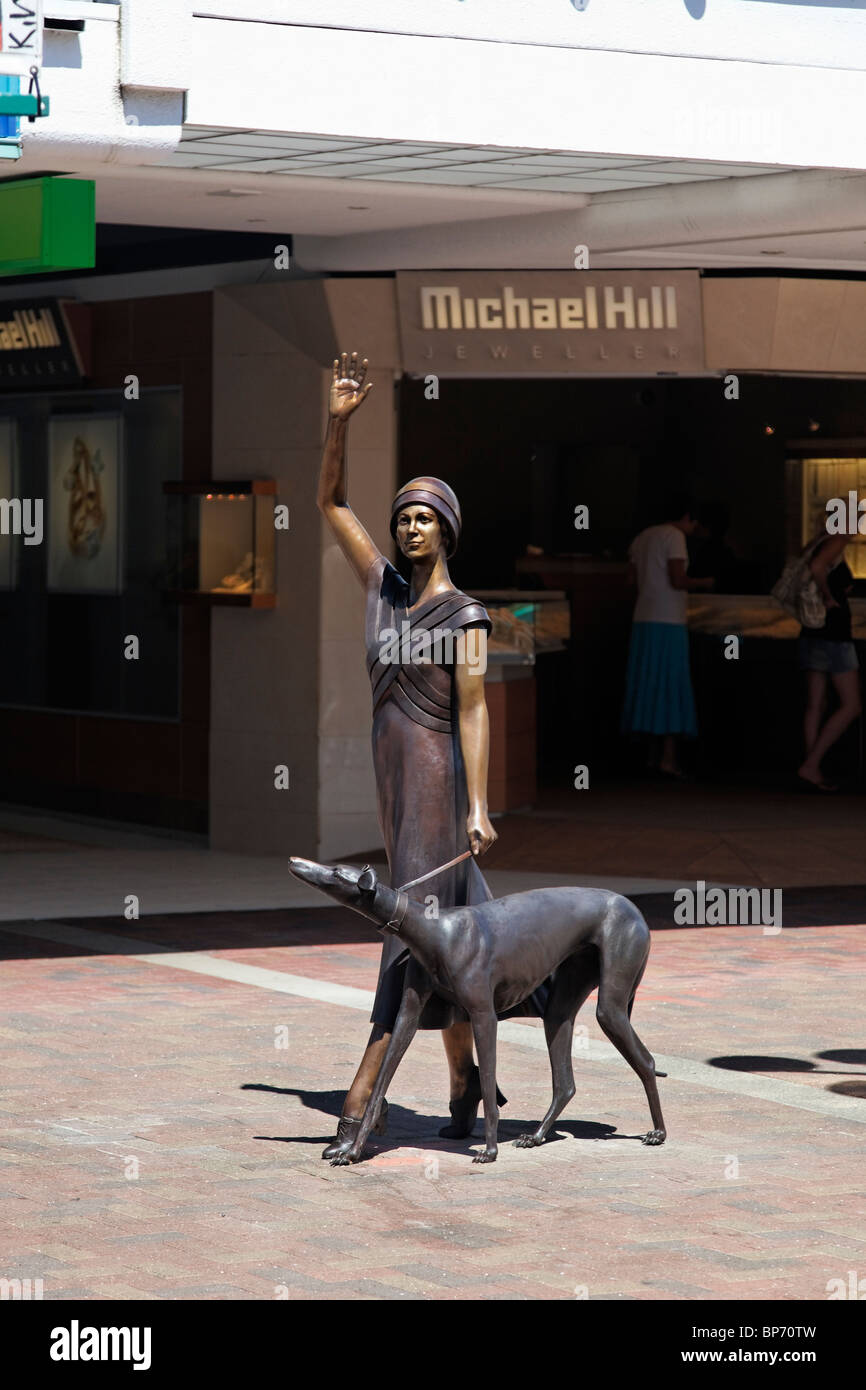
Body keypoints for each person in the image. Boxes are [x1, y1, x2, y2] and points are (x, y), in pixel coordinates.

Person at [317, 352, 545, 1161]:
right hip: (392, 778)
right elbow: (331, 502)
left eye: (424, 518)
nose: (409, 527)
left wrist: (479, 805)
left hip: (438, 783)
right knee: (446, 929)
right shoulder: (381, 589)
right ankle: (466, 1089)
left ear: (447, 529)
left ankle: (361, 1104)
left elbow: (475, 710)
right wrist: (339, 421)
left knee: (406, 927)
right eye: (403, 516)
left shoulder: (467, 614)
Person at [622, 494, 714, 778]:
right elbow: (678, 579)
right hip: (669, 620)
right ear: (687, 517)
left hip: (643, 618)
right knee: (670, 684)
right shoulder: (674, 537)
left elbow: (630, 581)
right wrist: (705, 583)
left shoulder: (642, 537)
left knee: (648, 682)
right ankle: (668, 758)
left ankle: (651, 756)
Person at [797, 531, 861, 792]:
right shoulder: (838, 542)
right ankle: (812, 765)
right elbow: (816, 567)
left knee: (816, 704)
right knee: (852, 704)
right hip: (834, 632)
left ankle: (812, 767)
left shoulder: (816, 541)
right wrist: (828, 595)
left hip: (811, 630)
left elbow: (812, 565)